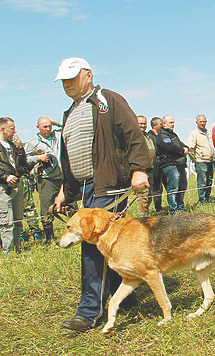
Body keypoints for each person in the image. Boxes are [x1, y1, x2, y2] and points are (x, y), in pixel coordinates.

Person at [53, 57, 150, 332]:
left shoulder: (109, 100)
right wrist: (64, 190)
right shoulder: (69, 112)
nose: (67, 84)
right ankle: (127, 296)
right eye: (63, 81)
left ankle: (88, 312)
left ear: (88, 74)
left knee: (91, 247)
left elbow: (133, 134)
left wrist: (139, 168)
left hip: (108, 185)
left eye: (72, 78)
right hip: (83, 187)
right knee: (110, 248)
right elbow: (69, 155)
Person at [24, 116, 63, 241]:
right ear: (38, 127)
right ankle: (49, 237)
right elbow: (23, 160)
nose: (48, 129)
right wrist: (38, 158)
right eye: (45, 127)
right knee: (46, 210)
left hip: (63, 177)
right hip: (46, 179)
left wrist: (54, 121)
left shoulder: (58, 135)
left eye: (49, 126)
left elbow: (68, 123)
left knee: (71, 205)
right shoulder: (32, 142)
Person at [0, 117, 28, 254]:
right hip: (3, 188)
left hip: (17, 185)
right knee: (6, 220)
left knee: (18, 218)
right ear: (2, 129)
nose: (15, 131)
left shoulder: (12, 146)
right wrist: (4, 177)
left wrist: (21, 149)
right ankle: (8, 252)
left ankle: (16, 248)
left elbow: (23, 167)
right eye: (12, 129)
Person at [157, 115, 188, 214]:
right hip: (169, 164)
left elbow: (180, 144)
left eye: (173, 122)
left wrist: (186, 148)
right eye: (171, 122)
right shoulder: (162, 135)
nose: (173, 124)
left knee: (182, 186)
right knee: (173, 187)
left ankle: (180, 208)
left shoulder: (173, 134)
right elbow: (169, 147)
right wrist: (182, 151)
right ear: (164, 123)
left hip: (179, 164)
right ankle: (173, 210)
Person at [187, 115, 215, 204]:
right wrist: (195, 159)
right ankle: (202, 200)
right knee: (202, 181)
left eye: (204, 121)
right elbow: (190, 148)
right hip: (201, 161)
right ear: (197, 122)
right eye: (200, 122)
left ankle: (208, 197)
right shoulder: (194, 133)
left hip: (210, 160)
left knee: (209, 180)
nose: (202, 123)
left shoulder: (208, 132)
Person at [136, 115, 157, 216]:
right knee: (143, 196)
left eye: (144, 123)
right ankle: (142, 218)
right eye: (140, 123)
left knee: (149, 195)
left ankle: (146, 215)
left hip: (151, 169)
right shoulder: (135, 136)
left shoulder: (147, 136)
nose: (143, 125)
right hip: (141, 170)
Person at [148, 117, 166, 213]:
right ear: (154, 125)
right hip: (154, 166)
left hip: (162, 164)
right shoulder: (149, 136)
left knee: (163, 187)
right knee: (156, 187)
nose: (162, 126)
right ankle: (158, 208)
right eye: (160, 124)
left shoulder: (160, 135)